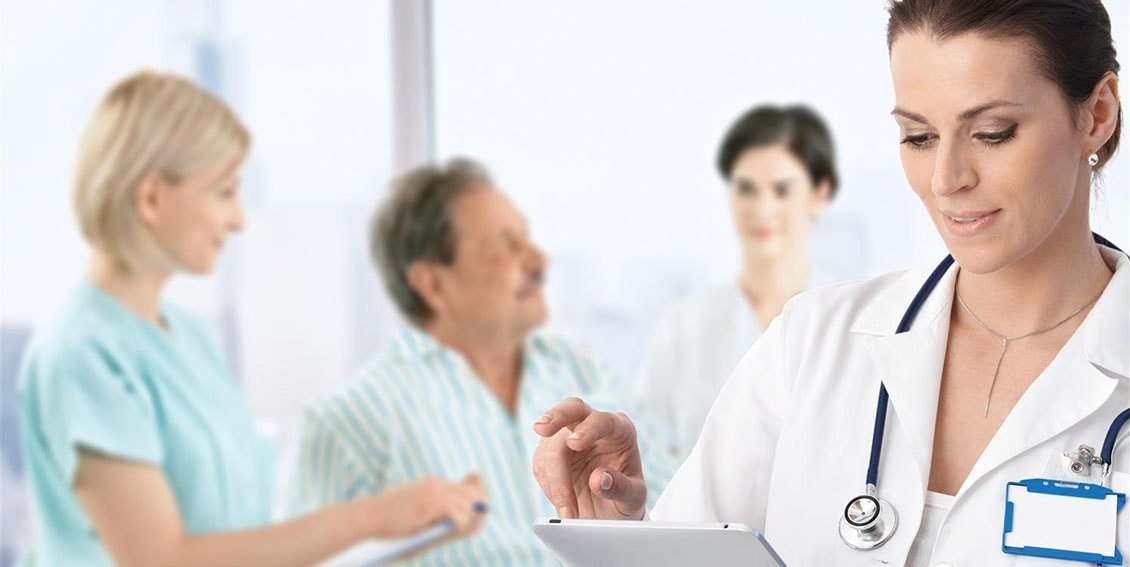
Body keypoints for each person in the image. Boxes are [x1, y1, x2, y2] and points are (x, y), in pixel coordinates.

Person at [530, 0, 1128, 564]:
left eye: (993, 132)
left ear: (1097, 114)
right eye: (919, 137)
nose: (946, 179)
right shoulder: (811, 343)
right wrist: (615, 533)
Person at [16, 70, 485, 567]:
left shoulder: (191, 337)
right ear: (151, 198)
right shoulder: (83, 355)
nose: (238, 219)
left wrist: (410, 528)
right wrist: (370, 518)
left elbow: (244, 545)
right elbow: (162, 560)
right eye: (223, 192)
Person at [286, 158, 677, 566]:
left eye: (526, 239)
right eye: (507, 245)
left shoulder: (586, 375)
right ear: (433, 284)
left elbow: (685, 532)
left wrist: (630, 525)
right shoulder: (343, 427)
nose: (538, 261)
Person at [632, 105, 839, 461]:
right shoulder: (682, 327)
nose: (762, 207)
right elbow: (646, 454)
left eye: (782, 190)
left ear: (819, 193)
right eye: (746, 189)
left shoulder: (847, 320)